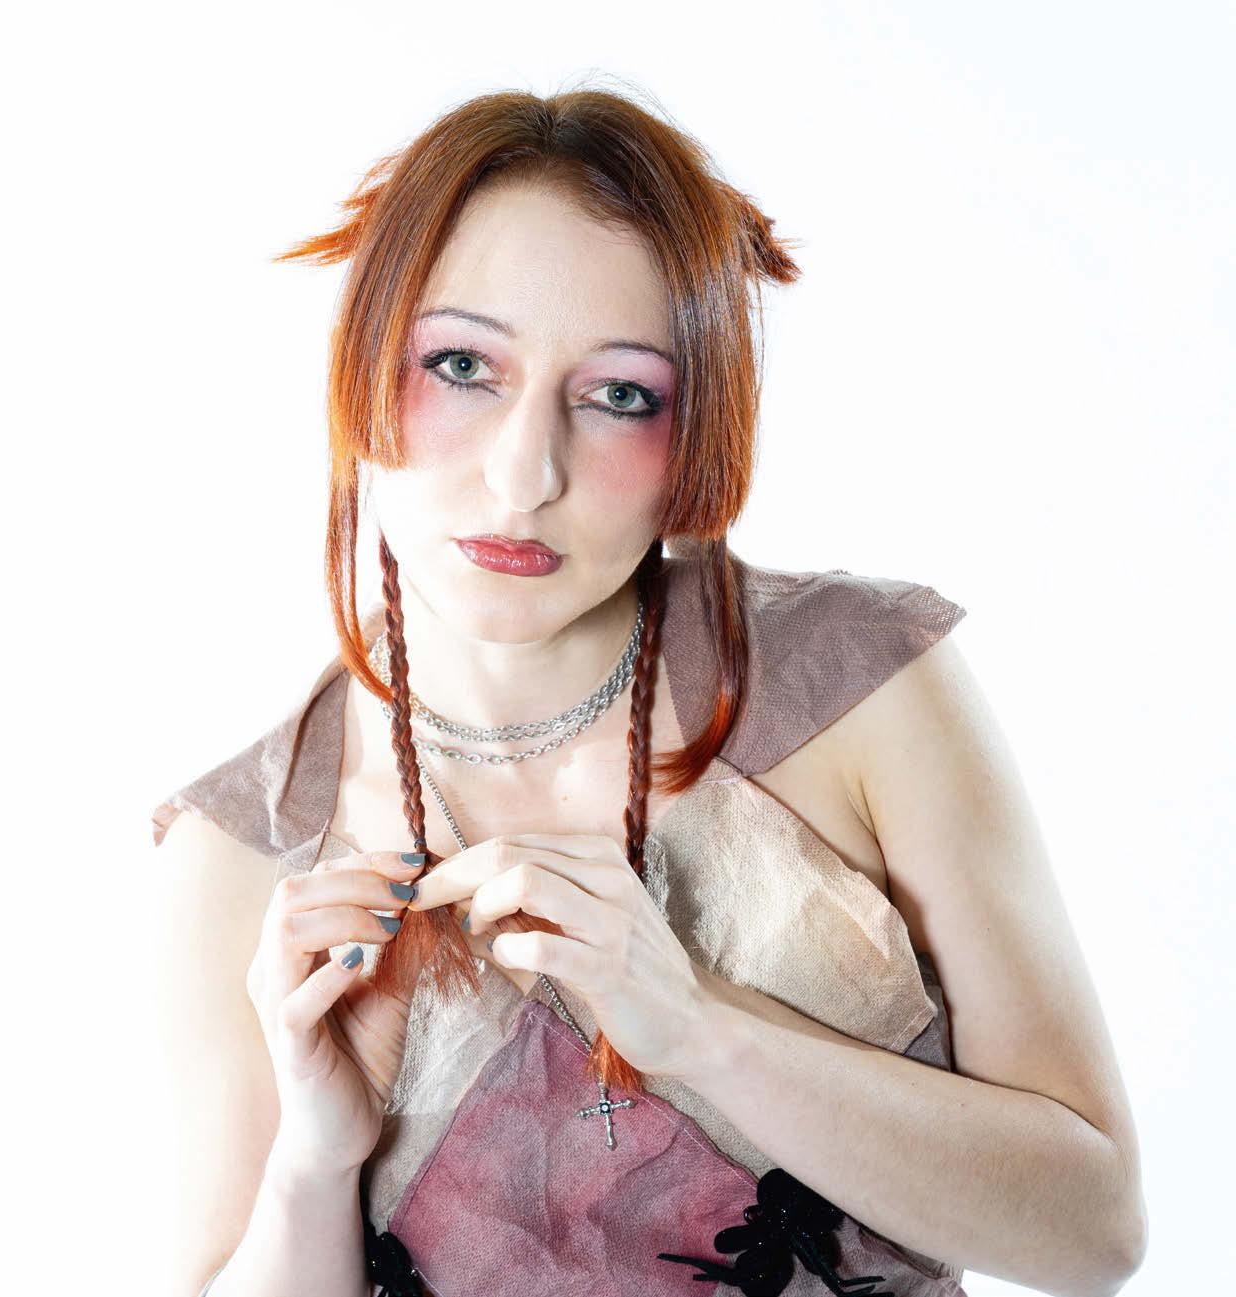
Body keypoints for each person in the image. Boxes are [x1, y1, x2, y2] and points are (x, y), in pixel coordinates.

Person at [150, 86, 1147, 1297]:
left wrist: (703, 1027)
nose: (525, 474)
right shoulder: (244, 854)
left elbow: (1095, 1232)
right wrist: (315, 1163)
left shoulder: (859, 691)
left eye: (619, 393)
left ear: (695, 433)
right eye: (462, 366)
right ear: (364, 367)